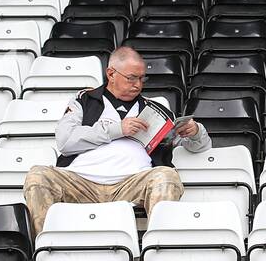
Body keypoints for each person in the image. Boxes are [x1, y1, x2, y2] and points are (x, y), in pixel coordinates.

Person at [23, 46, 211, 236]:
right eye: (131, 78)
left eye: (141, 78)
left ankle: (158, 248)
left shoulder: (154, 109)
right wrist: (116, 130)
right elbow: (65, 141)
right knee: (38, 175)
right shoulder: (84, 100)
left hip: (131, 183)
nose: (138, 84)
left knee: (166, 176)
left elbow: (199, 146)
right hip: (80, 183)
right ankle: (46, 248)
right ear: (111, 73)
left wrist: (195, 132)